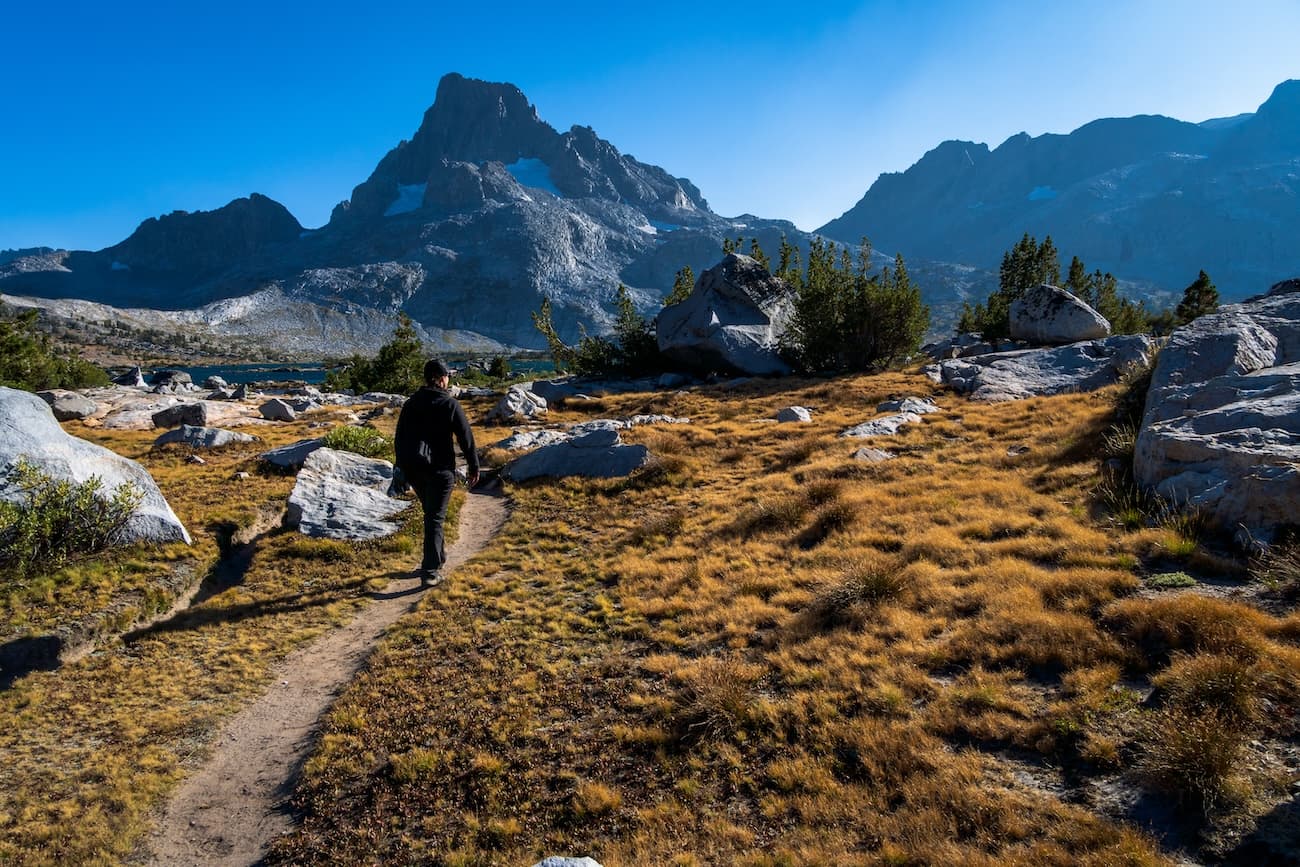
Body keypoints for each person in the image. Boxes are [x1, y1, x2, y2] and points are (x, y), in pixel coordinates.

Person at [394, 358, 479, 587]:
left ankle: (437, 557)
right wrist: (474, 467)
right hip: (441, 470)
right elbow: (466, 439)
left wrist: (401, 467)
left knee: (431, 513)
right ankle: (430, 571)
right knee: (434, 517)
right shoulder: (449, 404)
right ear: (442, 378)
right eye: (447, 376)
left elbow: (399, 438)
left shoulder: (411, 403)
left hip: (415, 469)